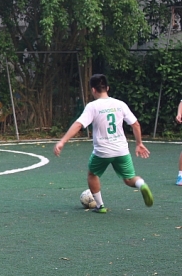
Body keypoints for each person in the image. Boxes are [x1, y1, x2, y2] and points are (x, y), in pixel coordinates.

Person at [54, 74, 153, 213]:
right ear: (107, 88)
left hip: (102, 151)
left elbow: (78, 124)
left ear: (93, 90)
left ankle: (100, 206)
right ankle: (141, 184)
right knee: (129, 178)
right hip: (121, 150)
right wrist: (139, 143)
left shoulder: (92, 106)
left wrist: (62, 141)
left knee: (92, 174)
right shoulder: (120, 104)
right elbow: (135, 124)